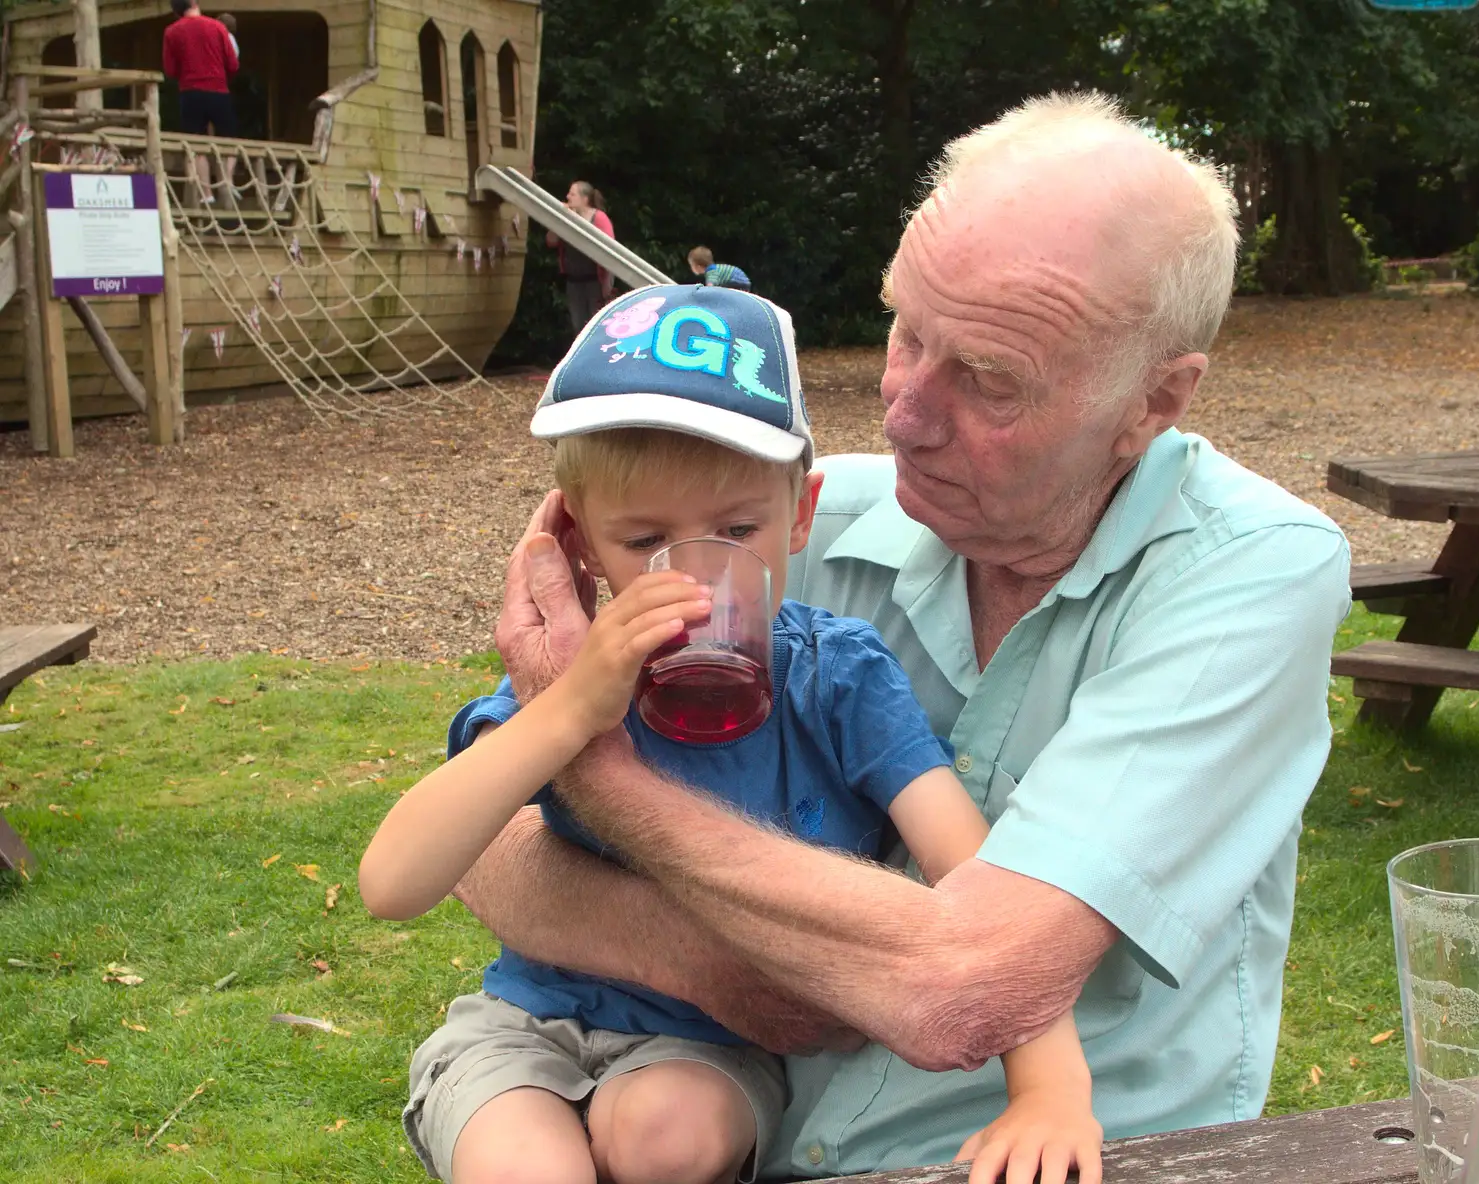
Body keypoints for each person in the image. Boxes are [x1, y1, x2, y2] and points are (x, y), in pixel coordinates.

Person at [455, 91, 1352, 1178]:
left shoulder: (1249, 573)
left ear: (1152, 400)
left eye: (987, 377)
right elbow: (488, 852)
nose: (903, 410)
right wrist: (693, 951)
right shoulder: (772, 531)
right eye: (907, 331)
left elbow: (971, 985)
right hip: (740, 1140)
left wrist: (591, 765)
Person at [366, 284, 1104, 1184]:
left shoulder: (837, 678)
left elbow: (978, 880)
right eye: (645, 540)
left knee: (664, 1144)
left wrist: (1051, 1092)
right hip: (526, 1024)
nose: (703, 581)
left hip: (703, 1045)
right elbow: (393, 882)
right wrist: (567, 710)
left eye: (738, 530)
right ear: (582, 544)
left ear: (802, 513)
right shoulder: (567, 677)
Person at [162, 0, 239, 205]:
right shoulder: (217, 27)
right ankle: (227, 182)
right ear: (194, 3)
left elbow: (170, 70)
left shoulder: (171, 32)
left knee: (196, 145)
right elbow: (232, 63)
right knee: (229, 140)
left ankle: (207, 194)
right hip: (218, 90)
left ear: (176, 11)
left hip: (190, 92)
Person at [547, 180, 615, 334]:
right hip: (574, 281)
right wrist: (558, 219)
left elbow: (610, 250)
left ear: (584, 199)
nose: (567, 196)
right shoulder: (567, 217)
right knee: (578, 326)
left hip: (595, 281)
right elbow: (551, 241)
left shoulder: (599, 218)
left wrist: (606, 285)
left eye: (572, 194)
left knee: (598, 325)